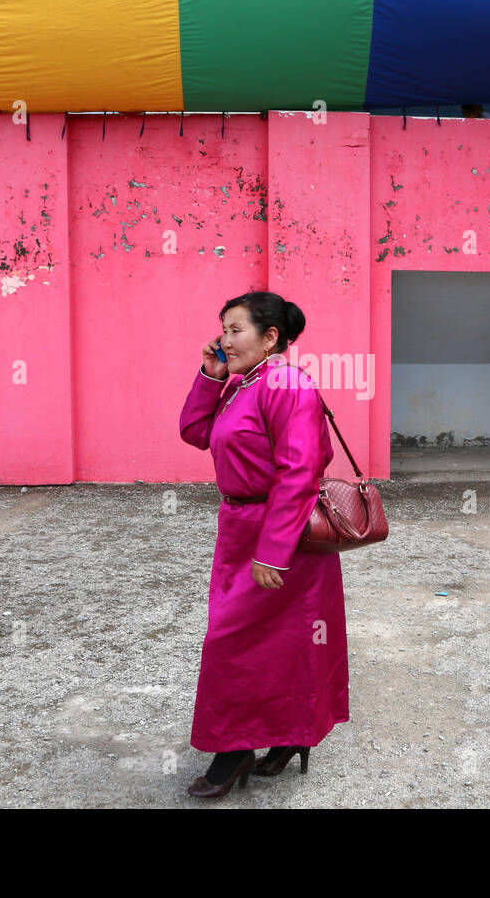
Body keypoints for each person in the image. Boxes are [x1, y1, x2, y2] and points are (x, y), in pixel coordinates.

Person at [178, 291, 350, 798]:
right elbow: (195, 432)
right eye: (223, 330)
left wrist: (273, 550)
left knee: (234, 641)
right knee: (277, 642)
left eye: (236, 331)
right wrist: (211, 374)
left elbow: (299, 473)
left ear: (270, 337)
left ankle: (234, 749)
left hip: (281, 532)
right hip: (241, 526)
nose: (225, 340)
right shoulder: (241, 383)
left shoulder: (286, 384)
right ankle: (289, 734)